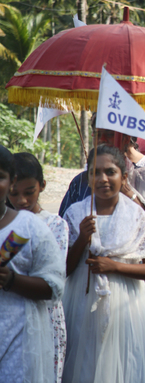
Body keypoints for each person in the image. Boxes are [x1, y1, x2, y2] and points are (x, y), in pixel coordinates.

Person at [60, 122, 145, 367]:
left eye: (110, 173)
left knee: (128, 363)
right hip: (84, 299)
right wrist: (83, 238)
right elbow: (62, 258)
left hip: (128, 300)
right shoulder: (77, 205)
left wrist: (131, 195)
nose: (102, 179)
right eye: (99, 133)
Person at [0, 145, 65, 383]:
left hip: (22, 340)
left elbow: (54, 287)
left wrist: (11, 280)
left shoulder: (29, 227)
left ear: (10, 180)